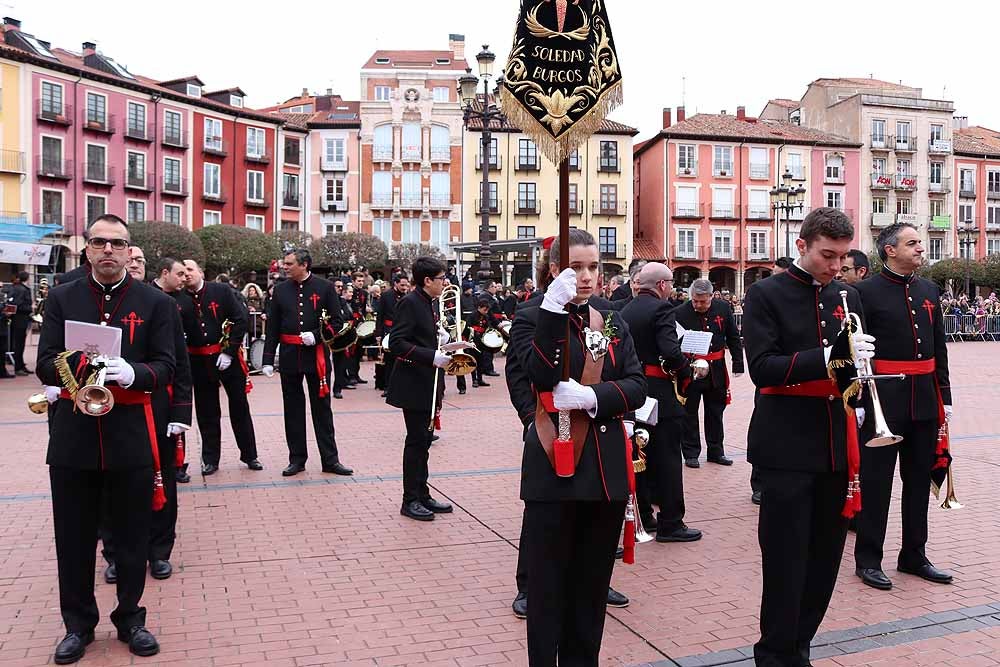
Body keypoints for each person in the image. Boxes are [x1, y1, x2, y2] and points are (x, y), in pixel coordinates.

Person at [38, 214, 177, 663]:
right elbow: (43, 363)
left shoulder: (155, 303)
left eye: (118, 243)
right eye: (99, 242)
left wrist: (132, 372)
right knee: (73, 538)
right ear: (87, 249)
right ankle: (78, 626)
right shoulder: (61, 297)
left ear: (128, 249)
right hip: (74, 435)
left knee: (133, 537)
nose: (108, 251)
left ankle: (130, 619)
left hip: (130, 434)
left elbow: (167, 366)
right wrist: (77, 367)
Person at [742, 207, 874, 667]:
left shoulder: (847, 297)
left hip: (836, 447)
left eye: (842, 257)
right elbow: (761, 368)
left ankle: (800, 648)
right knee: (784, 563)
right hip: (785, 447)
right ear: (802, 247)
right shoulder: (765, 294)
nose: (836, 266)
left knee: (823, 563)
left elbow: (850, 372)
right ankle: (775, 655)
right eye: (827, 255)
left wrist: (862, 375)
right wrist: (826, 356)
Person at [508, 229, 646, 664]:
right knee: (548, 590)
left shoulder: (613, 318)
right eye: (577, 268)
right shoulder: (533, 315)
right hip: (556, 460)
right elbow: (537, 375)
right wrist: (552, 309)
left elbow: (637, 384)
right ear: (554, 271)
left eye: (594, 268)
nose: (587, 277)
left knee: (590, 592)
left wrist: (593, 398)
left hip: (603, 469)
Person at [853, 222, 954, 591]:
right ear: (889, 250)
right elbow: (858, 355)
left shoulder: (929, 289)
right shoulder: (863, 292)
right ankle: (868, 559)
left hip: (924, 401)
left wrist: (946, 396)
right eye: (912, 244)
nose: (920, 249)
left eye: (920, 244)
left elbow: (939, 347)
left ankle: (914, 554)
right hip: (884, 400)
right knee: (877, 484)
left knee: (917, 483)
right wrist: (861, 401)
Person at [103, 252, 192, 583]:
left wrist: (182, 411)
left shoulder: (162, 304)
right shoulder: (103, 304)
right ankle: (115, 554)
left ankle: (158, 552)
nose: (136, 263)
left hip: (155, 406)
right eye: (133, 258)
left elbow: (179, 363)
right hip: (111, 408)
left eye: (140, 259)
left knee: (162, 481)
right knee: (110, 485)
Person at [620, 262, 704, 542]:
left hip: (634, 392)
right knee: (668, 458)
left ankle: (645, 515)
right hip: (660, 393)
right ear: (662, 285)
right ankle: (671, 522)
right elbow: (670, 350)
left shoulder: (625, 309)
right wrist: (686, 368)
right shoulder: (662, 308)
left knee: (639, 456)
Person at [262, 250, 353, 477]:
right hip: (290, 356)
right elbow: (272, 326)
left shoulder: (324, 287)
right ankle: (297, 459)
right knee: (292, 409)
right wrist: (267, 359)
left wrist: (317, 334)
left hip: (317, 357)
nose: (285, 267)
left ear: (304, 265)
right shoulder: (281, 290)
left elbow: (337, 320)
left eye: (290, 264)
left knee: (322, 410)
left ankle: (330, 460)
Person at [386, 257, 464, 520]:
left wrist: (440, 340)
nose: (445, 282)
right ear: (427, 280)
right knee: (416, 442)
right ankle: (410, 500)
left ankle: (422, 493)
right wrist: (430, 356)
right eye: (441, 278)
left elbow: (419, 336)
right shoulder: (410, 302)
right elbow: (397, 343)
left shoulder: (429, 302)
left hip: (429, 382)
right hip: (414, 383)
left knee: (425, 441)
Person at [177, 260, 260, 475]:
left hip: (227, 359)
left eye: (190, 270)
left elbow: (240, 319)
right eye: (182, 271)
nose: (186, 275)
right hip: (198, 362)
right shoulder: (178, 298)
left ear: (200, 272)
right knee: (207, 412)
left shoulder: (221, 291)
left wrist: (229, 351)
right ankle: (210, 459)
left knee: (240, 407)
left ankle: (250, 455)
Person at [675, 278, 744, 468]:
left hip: (716, 369)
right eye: (695, 301)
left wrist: (738, 363)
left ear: (711, 296)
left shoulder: (723, 308)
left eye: (703, 301)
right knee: (689, 413)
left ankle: (716, 451)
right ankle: (691, 453)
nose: (698, 305)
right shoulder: (680, 312)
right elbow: (674, 341)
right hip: (691, 370)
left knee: (715, 412)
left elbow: (733, 336)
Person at [376, 273, 409, 398]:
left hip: (404, 331)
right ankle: (387, 387)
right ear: (395, 283)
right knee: (389, 360)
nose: (404, 287)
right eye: (402, 285)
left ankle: (402, 386)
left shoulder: (408, 296)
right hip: (389, 330)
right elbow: (380, 315)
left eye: (406, 285)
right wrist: (378, 333)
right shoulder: (386, 296)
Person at [8, 271, 33, 375]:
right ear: (26, 279)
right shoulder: (21, 290)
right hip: (20, 319)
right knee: (19, 344)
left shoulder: (17, 288)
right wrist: (30, 308)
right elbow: (18, 305)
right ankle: (18, 367)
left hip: (21, 319)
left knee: (20, 343)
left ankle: (21, 364)